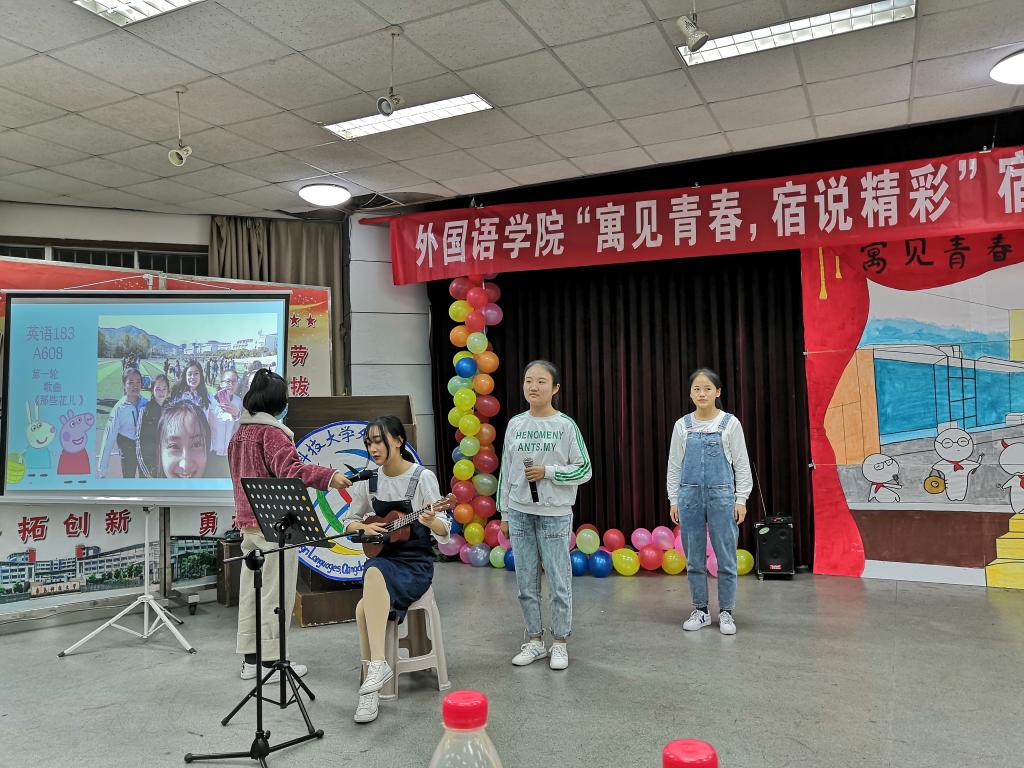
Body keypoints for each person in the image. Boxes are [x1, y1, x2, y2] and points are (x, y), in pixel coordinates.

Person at [228, 368, 350, 682]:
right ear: (276, 403)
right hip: (275, 526)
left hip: (248, 524)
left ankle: (251, 660)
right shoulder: (272, 434)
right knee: (275, 593)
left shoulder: (238, 435)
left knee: (251, 591)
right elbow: (291, 470)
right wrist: (328, 476)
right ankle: (272, 662)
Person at [340, 416, 450, 724]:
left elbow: (445, 530)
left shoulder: (421, 477)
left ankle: (372, 681)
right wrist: (363, 527)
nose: (373, 448)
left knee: (367, 593)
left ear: (399, 441)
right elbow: (349, 521)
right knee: (368, 589)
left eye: (379, 441)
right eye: (369, 443)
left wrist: (432, 521)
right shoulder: (370, 480)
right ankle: (375, 678)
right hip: (383, 559)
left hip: (415, 564)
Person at [497, 361, 592, 672]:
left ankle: (560, 642)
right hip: (520, 513)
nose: (533, 387)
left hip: (554, 515)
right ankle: (535, 640)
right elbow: (505, 472)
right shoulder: (515, 424)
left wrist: (548, 472)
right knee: (525, 582)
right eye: (528, 380)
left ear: (555, 388)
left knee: (558, 580)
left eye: (540, 381)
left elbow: (584, 469)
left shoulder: (565, 426)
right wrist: (505, 513)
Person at [666, 368, 752, 636]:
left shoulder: (730, 424)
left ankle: (726, 612)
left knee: (726, 557)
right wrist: (673, 499)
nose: (701, 393)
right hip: (689, 497)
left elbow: (741, 464)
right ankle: (701, 611)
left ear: (718, 392)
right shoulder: (682, 426)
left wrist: (741, 499)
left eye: (707, 388)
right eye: (696, 389)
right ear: (690, 394)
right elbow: (674, 466)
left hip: (722, 496)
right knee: (694, 559)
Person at [97, 367, 147, 479]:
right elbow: (108, 439)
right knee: (128, 480)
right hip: (128, 451)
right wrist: (102, 470)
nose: (135, 386)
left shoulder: (146, 403)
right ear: (124, 385)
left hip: (144, 450)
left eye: (138, 382)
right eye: (131, 382)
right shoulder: (119, 409)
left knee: (146, 481)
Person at [136, 373, 170, 478]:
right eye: (158, 389)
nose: (161, 392)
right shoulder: (145, 410)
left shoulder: (171, 411)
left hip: (167, 466)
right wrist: (147, 471)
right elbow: (139, 443)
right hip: (149, 468)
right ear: (152, 390)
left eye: (164, 389)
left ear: (168, 391)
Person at [209, 368, 243, 457]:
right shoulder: (210, 400)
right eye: (228, 381)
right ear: (221, 383)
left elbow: (239, 428)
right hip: (212, 452)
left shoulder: (238, 401)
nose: (231, 384)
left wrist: (237, 415)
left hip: (230, 453)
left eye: (234, 381)